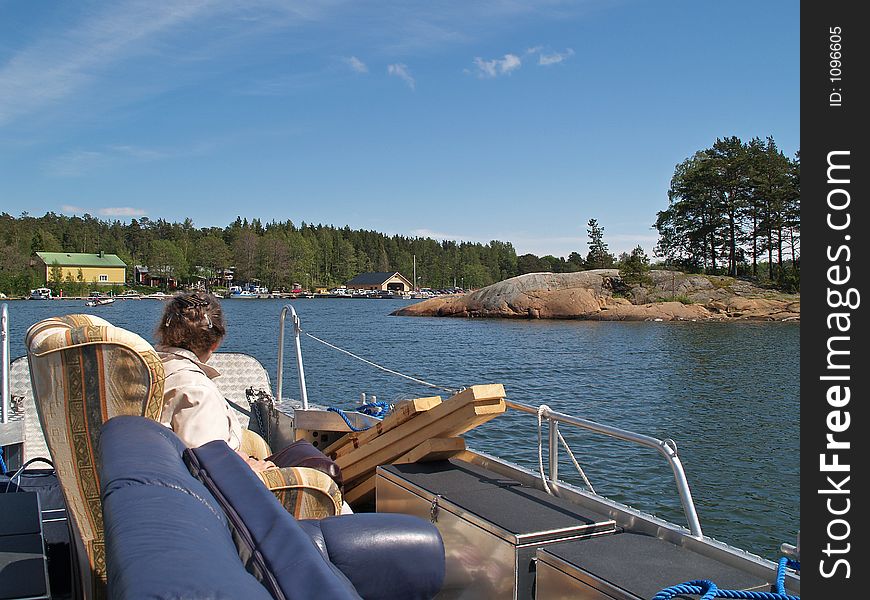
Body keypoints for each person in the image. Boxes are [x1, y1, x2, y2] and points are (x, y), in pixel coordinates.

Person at [155, 291, 275, 472]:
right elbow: (210, 468)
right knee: (314, 465)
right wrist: (251, 468)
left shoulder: (147, 368)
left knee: (257, 443)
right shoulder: (197, 391)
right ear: (215, 344)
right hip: (219, 483)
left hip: (164, 462)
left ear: (163, 333)